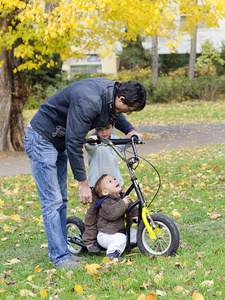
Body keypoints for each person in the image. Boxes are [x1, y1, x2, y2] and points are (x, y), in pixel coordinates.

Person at [24, 77, 146, 269]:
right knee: (52, 201)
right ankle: (60, 258)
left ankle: (62, 252)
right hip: (42, 138)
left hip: (59, 141)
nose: (128, 113)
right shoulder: (89, 101)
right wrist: (82, 182)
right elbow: (74, 141)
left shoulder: (110, 95)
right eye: (129, 109)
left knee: (61, 200)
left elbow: (114, 115)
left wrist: (130, 130)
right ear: (121, 98)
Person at [82, 123, 130, 253]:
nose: (103, 132)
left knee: (122, 207)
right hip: (97, 187)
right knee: (93, 214)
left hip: (114, 186)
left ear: (113, 125)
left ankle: (117, 237)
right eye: (99, 129)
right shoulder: (94, 141)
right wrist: (91, 142)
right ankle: (89, 241)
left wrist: (132, 136)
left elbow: (123, 145)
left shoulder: (113, 139)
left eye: (107, 128)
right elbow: (89, 147)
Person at [93, 174, 138, 260]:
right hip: (106, 235)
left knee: (136, 234)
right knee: (121, 238)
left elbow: (133, 208)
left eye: (114, 179)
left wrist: (137, 216)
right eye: (110, 181)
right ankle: (111, 255)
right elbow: (112, 214)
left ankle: (125, 248)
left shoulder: (123, 196)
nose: (115, 181)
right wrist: (123, 203)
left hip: (121, 232)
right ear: (105, 192)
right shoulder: (105, 202)